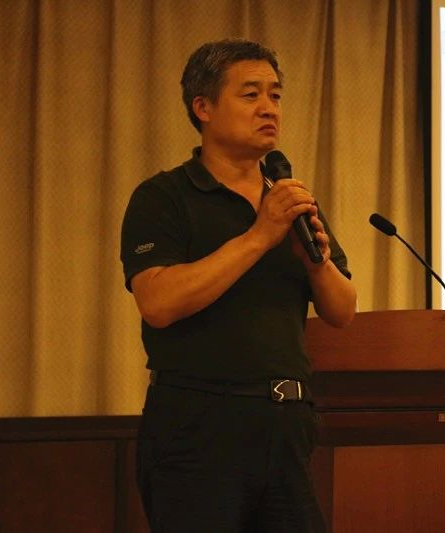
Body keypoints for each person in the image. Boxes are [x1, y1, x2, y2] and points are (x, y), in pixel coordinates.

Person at [120, 38, 356, 532]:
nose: (269, 108)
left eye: (275, 95)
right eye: (251, 95)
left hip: (287, 424)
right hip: (199, 427)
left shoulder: (291, 200)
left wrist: (315, 265)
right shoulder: (164, 196)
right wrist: (259, 236)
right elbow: (158, 302)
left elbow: (342, 310)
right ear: (202, 107)